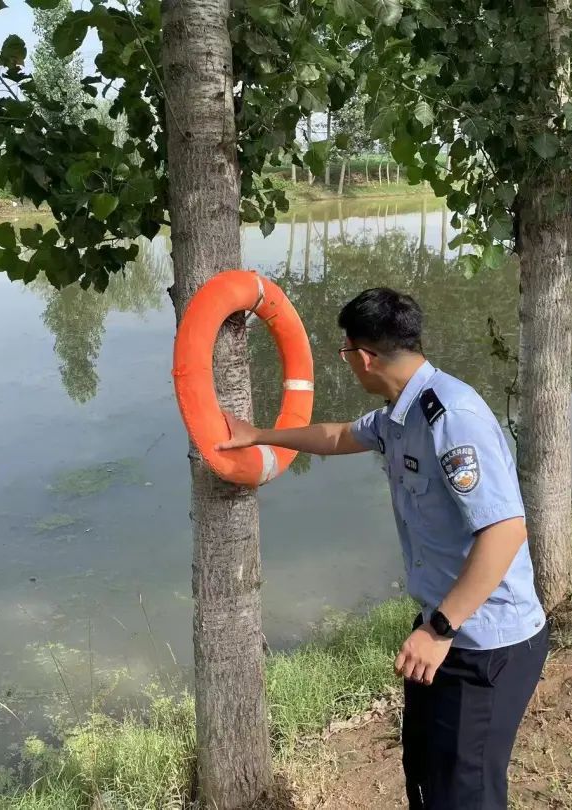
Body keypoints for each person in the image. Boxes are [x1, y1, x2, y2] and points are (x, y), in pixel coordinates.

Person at [218, 287, 549, 810]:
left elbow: (505, 532)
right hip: (445, 632)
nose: (348, 362)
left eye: (346, 352)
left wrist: (439, 630)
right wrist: (257, 435)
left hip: (484, 644)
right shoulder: (402, 413)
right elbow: (338, 436)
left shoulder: (451, 417)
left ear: (364, 356)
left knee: (465, 794)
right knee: (425, 777)